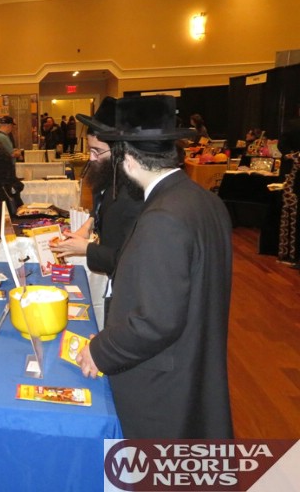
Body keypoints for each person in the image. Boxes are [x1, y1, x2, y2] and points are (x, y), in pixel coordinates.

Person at [75, 95, 233, 439]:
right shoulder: (205, 200)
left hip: (161, 386)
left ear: (128, 159)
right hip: (193, 363)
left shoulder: (163, 218)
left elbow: (156, 321)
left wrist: (100, 350)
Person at [52, 98, 143, 299]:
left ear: (121, 151)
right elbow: (101, 205)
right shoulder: (110, 175)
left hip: (131, 290)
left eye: (97, 151)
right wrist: (87, 226)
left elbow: (132, 260)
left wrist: (87, 249)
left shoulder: (134, 194)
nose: (91, 158)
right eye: (89, 150)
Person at [278, 102, 300, 266]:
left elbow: (282, 146)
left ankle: (292, 253)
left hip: (294, 176)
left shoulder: (292, 125)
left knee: (292, 213)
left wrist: (291, 156)